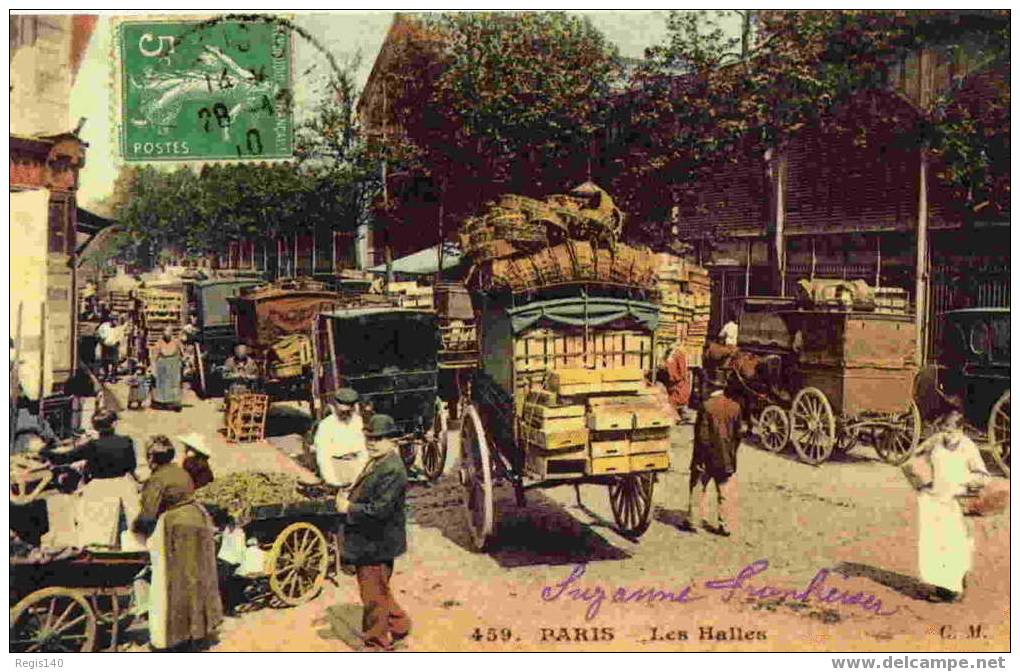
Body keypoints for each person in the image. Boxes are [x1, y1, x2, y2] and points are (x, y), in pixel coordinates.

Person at [132, 436, 223, 651]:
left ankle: (177, 636)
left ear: (152, 458)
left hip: (179, 529)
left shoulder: (157, 479)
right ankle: (199, 631)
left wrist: (134, 531)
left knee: (176, 581)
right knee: (197, 578)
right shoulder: (180, 472)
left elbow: (147, 516)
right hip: (198, 521)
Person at [334, 414, 410, 651]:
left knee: (373, 598)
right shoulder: (378, 461)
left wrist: (349, 508)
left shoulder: (393, 469)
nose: (372, 442)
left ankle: (375, 644)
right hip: (371, 541)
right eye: (369, 437)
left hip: (377, 543)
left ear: (392, 440)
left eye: (379, 438)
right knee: (378, 590)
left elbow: (380, 510)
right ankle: (399, 625)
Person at [911, 399, 990, 602]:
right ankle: (942, 589)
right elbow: (915, 459)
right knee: (936, 545)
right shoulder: (935, 441)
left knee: (954, 544)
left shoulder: (968, 447)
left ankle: (954, 589)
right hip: (935, 500)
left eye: (950, 431)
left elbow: (983, 475)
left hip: (956, 503)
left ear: (961, 430)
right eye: (944, 429)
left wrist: (965, 482)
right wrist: (923, 480)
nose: (947, 435)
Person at [42, 410, 141, 547]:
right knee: (129, 522)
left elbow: (64, 457)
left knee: (96, 529)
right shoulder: (126, 441)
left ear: (95, 427)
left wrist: (44, 451)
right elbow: (132, 465)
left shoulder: (92, 446)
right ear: (114, 424)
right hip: (122, 485)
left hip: (99, 487)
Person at [686, 375, 744, 537]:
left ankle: (693, 521)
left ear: (710, 388)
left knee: (698, 487)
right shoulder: (735, 407)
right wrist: (731, 452)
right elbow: (738, 435)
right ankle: (725, 525)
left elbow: (702, 436)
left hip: (706, 458)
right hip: (726, 457)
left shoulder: (706, 407)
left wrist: (700, 459)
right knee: (724, 491)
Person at [313, 388, 368, 489]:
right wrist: (332, 480)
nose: (345, 414)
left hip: (357, 466)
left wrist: (363, 474)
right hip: (336, 467)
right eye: (342, 412)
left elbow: (364, 451)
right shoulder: (326, 426)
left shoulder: (359, 422)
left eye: (348, 412)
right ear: (335, 407)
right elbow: (323, 455)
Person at [149, 327, 184, 411]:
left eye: (169, 333)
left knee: (174, 384)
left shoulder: (176, 342)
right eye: (165, 333)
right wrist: (153, 368)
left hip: (174, 366)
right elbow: (154, 357)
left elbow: (182, 353)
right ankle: (163, 403)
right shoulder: (159, 343)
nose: (167, 335)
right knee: (163, 385)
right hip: (162, 367)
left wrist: (182, 361)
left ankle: (174, 402)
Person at [97, 314, 122, 382]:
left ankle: (113, 376)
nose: (116, 322)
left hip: (113, 346)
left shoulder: (118, 328)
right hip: (105, 346)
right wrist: (101, 342)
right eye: (115, 320)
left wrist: (117, 343)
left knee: (114, 362)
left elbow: (120, 337)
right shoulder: (104, 326)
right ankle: (106, 375)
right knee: (105, 361)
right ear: (111, 320)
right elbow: (99, 334)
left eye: (117, 320)